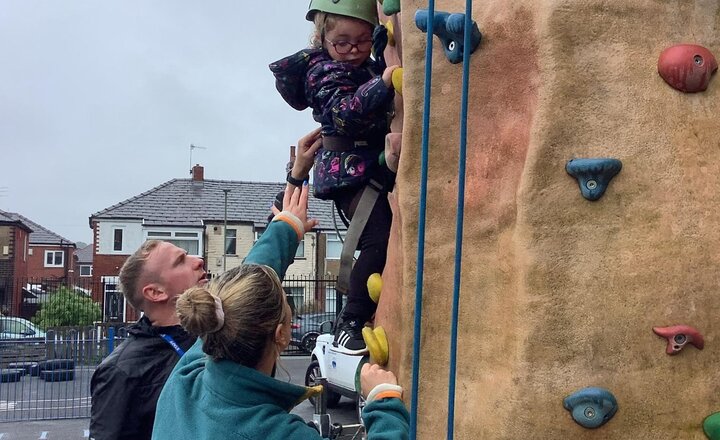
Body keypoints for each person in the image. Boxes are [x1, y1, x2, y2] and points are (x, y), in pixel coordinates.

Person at [152, 180, 410, 440]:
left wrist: (287, 228)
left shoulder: (184, 380)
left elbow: (250, 282)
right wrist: (383, 402)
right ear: (281, 335)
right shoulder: (274, 433)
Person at [269, 0, 400, 352]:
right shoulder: (322, 72)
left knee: (387, 233)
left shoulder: (362, 63)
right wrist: (383, 83)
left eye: (362, 40)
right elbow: (344, 114)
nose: (353, 51)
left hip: (370, 162)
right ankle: (352, 320)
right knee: (378, 236)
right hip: (348, 171)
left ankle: (360, 311)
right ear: (323, 37)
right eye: (343, 42)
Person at [89, 240, 205, 440]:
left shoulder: (212, 334)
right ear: (156, 292)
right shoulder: (121, 371)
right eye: (180, 261)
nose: (198, 261)